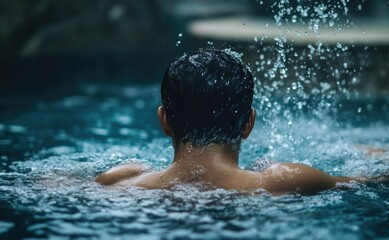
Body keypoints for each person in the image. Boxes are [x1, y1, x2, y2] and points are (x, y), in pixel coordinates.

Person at [96, 49, 359, 194]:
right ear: (248, 124)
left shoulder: (120, 182)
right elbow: (380, 179)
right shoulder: (282, 181)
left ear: (164, 120)